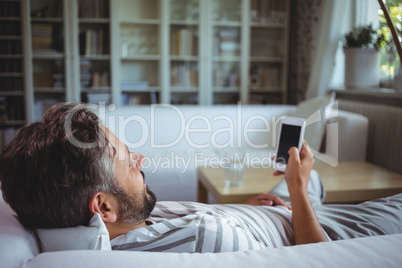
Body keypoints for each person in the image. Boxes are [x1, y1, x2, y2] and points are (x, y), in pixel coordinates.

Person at [0, 103, 401, 253]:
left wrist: (243, 211)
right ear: (102, 206)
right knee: (306, 176)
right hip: (322, 227)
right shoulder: (200, 241)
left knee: (300, 171)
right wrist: (297, 193)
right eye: (127, 160)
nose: (140, 158)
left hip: (269, 213)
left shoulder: (125, 223)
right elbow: (320, 259)